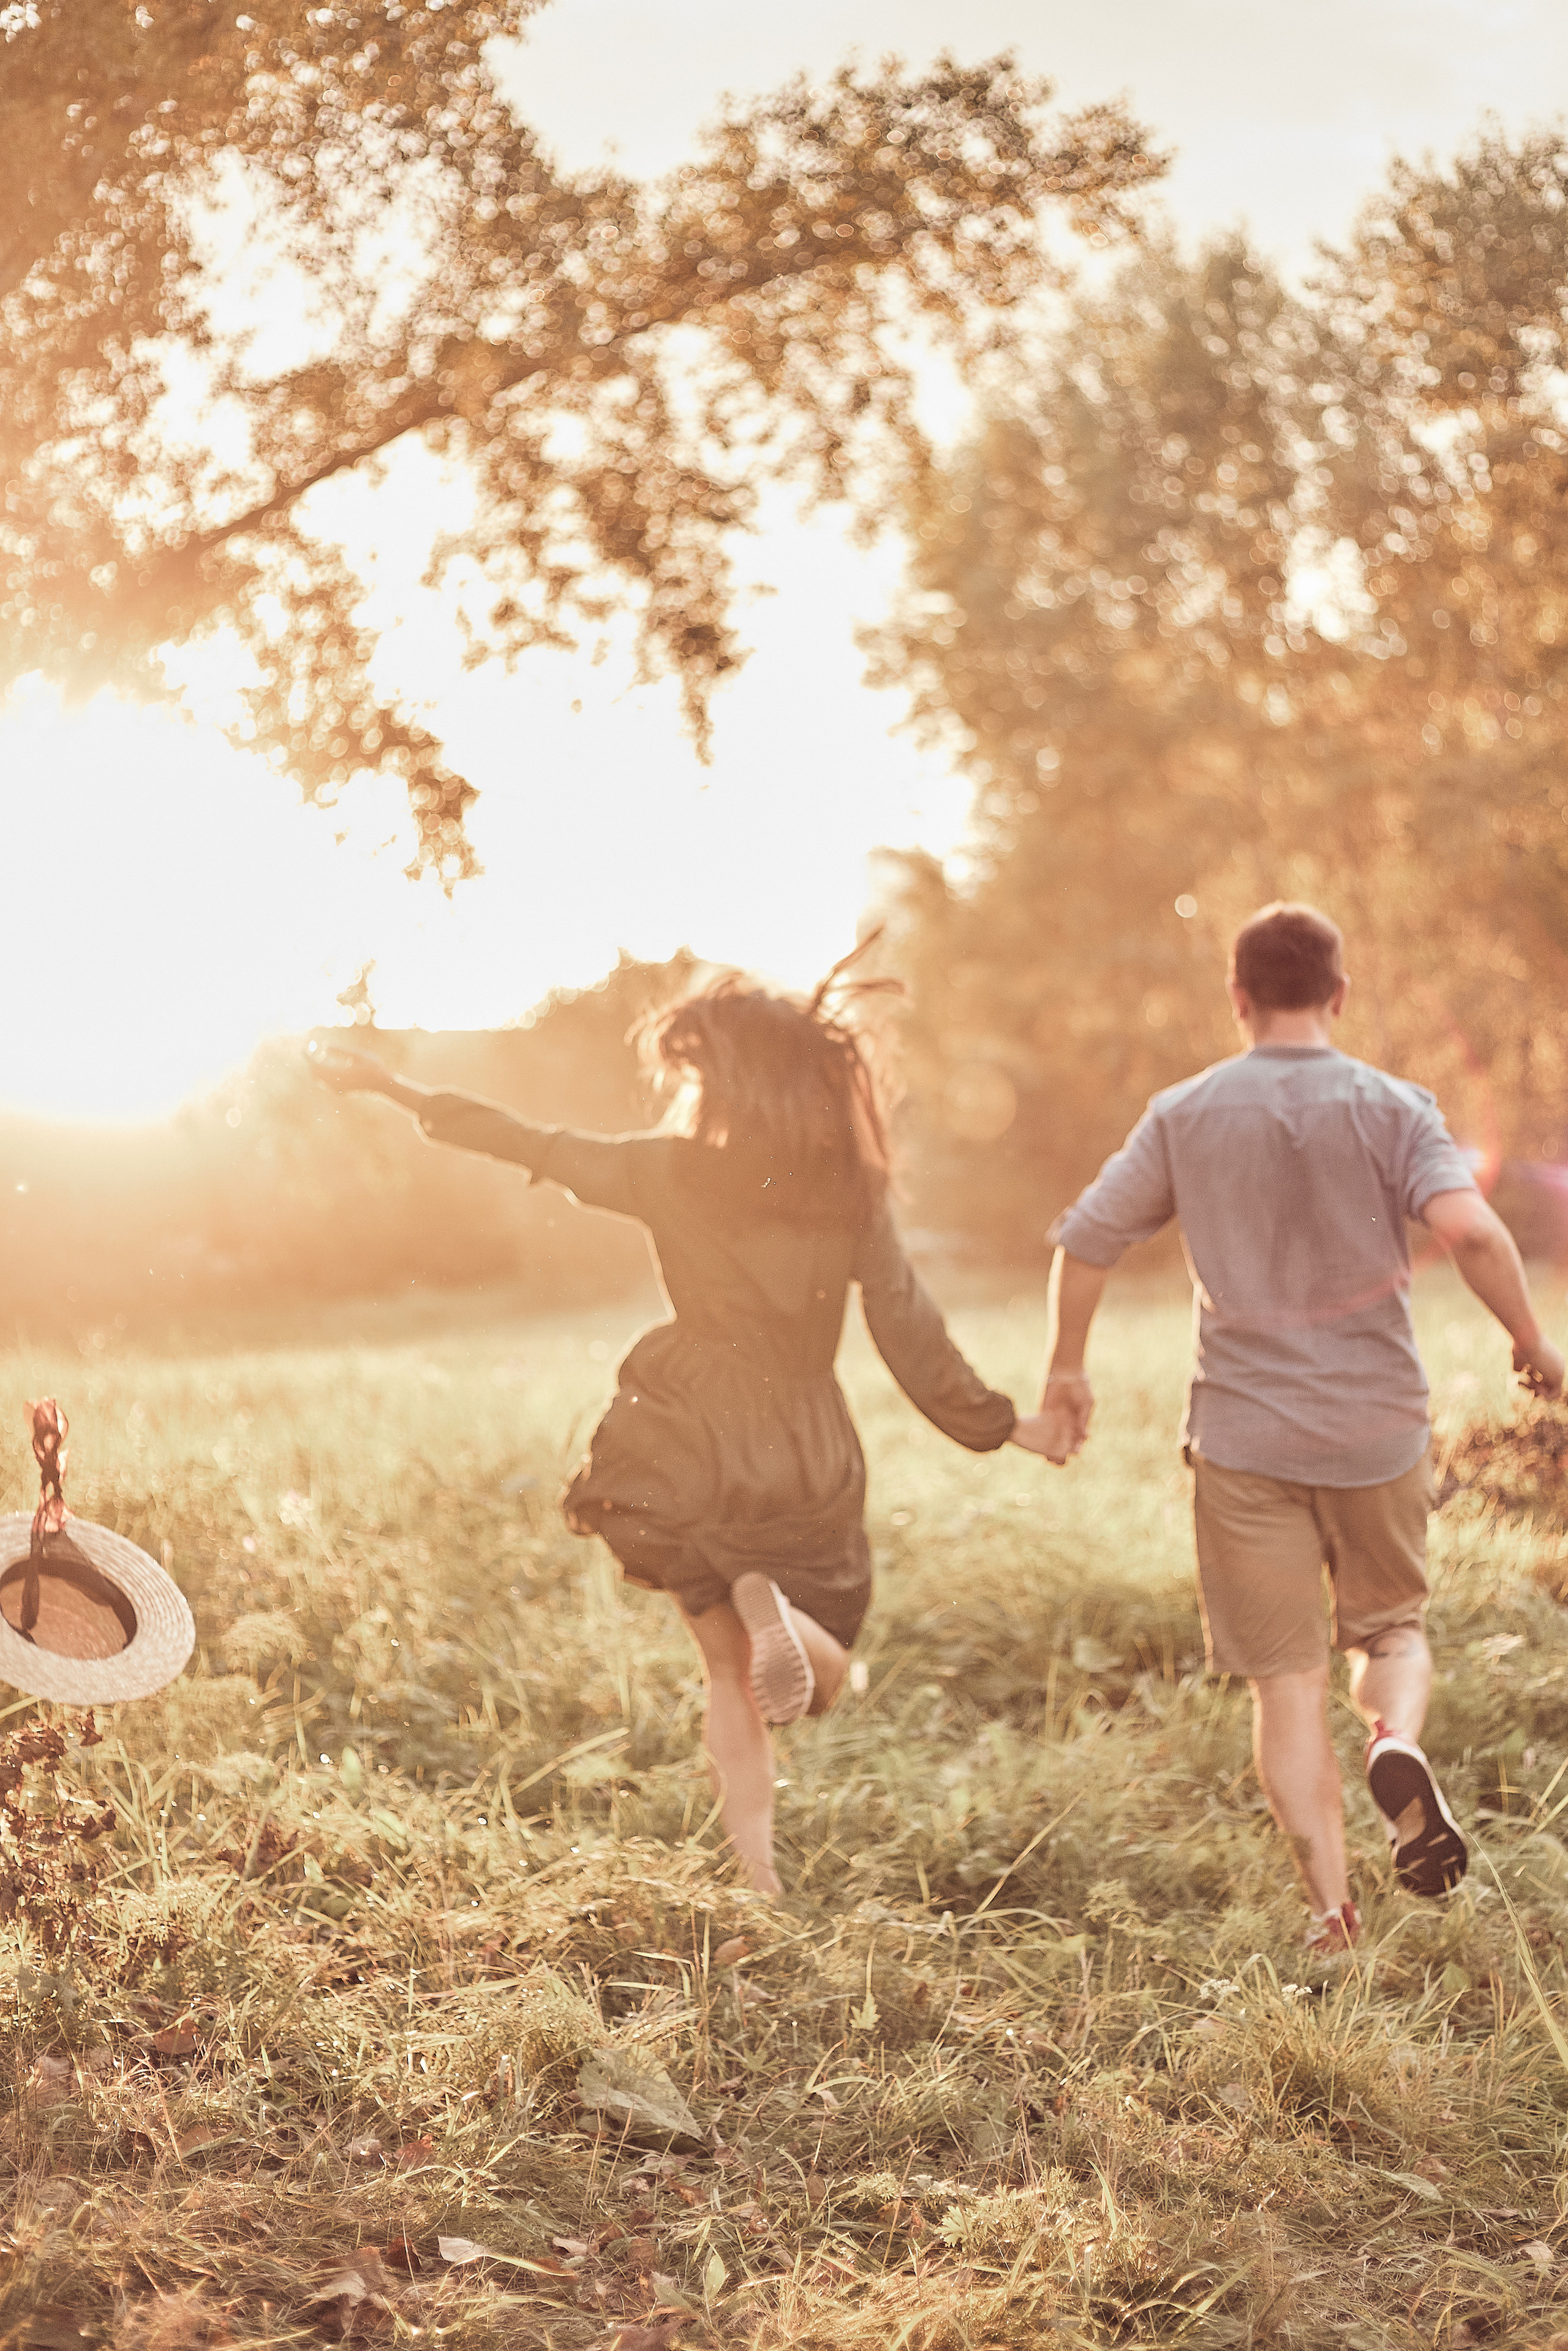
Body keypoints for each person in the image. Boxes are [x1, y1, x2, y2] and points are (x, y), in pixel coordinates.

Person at [309, 956, 1019, 1897]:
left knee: (729, 1674)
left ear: (716, 1078)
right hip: (801, 1439)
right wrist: (1005, 1425)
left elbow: (530, 1139)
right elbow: (908, 1329)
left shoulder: (664, 1168)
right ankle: (784, 1613)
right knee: (831, 1666)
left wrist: (391, 1085)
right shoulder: (849, 1187)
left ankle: (757, 1874)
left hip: (686, 1429)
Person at [1012, 902, 1565, 1952]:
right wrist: (1533, 1342)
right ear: (1339, 995)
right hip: (1379, 1428)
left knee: (1287, 1682)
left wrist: (1067, 1368)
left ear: (1239, 999)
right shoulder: (1396, 1104)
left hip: (1244, 1441)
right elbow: (1475, 1231)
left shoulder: (1184, 1111)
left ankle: (1331, 1915)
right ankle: (1394, 1737)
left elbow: (1084, 1243)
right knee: (1390, 1630)